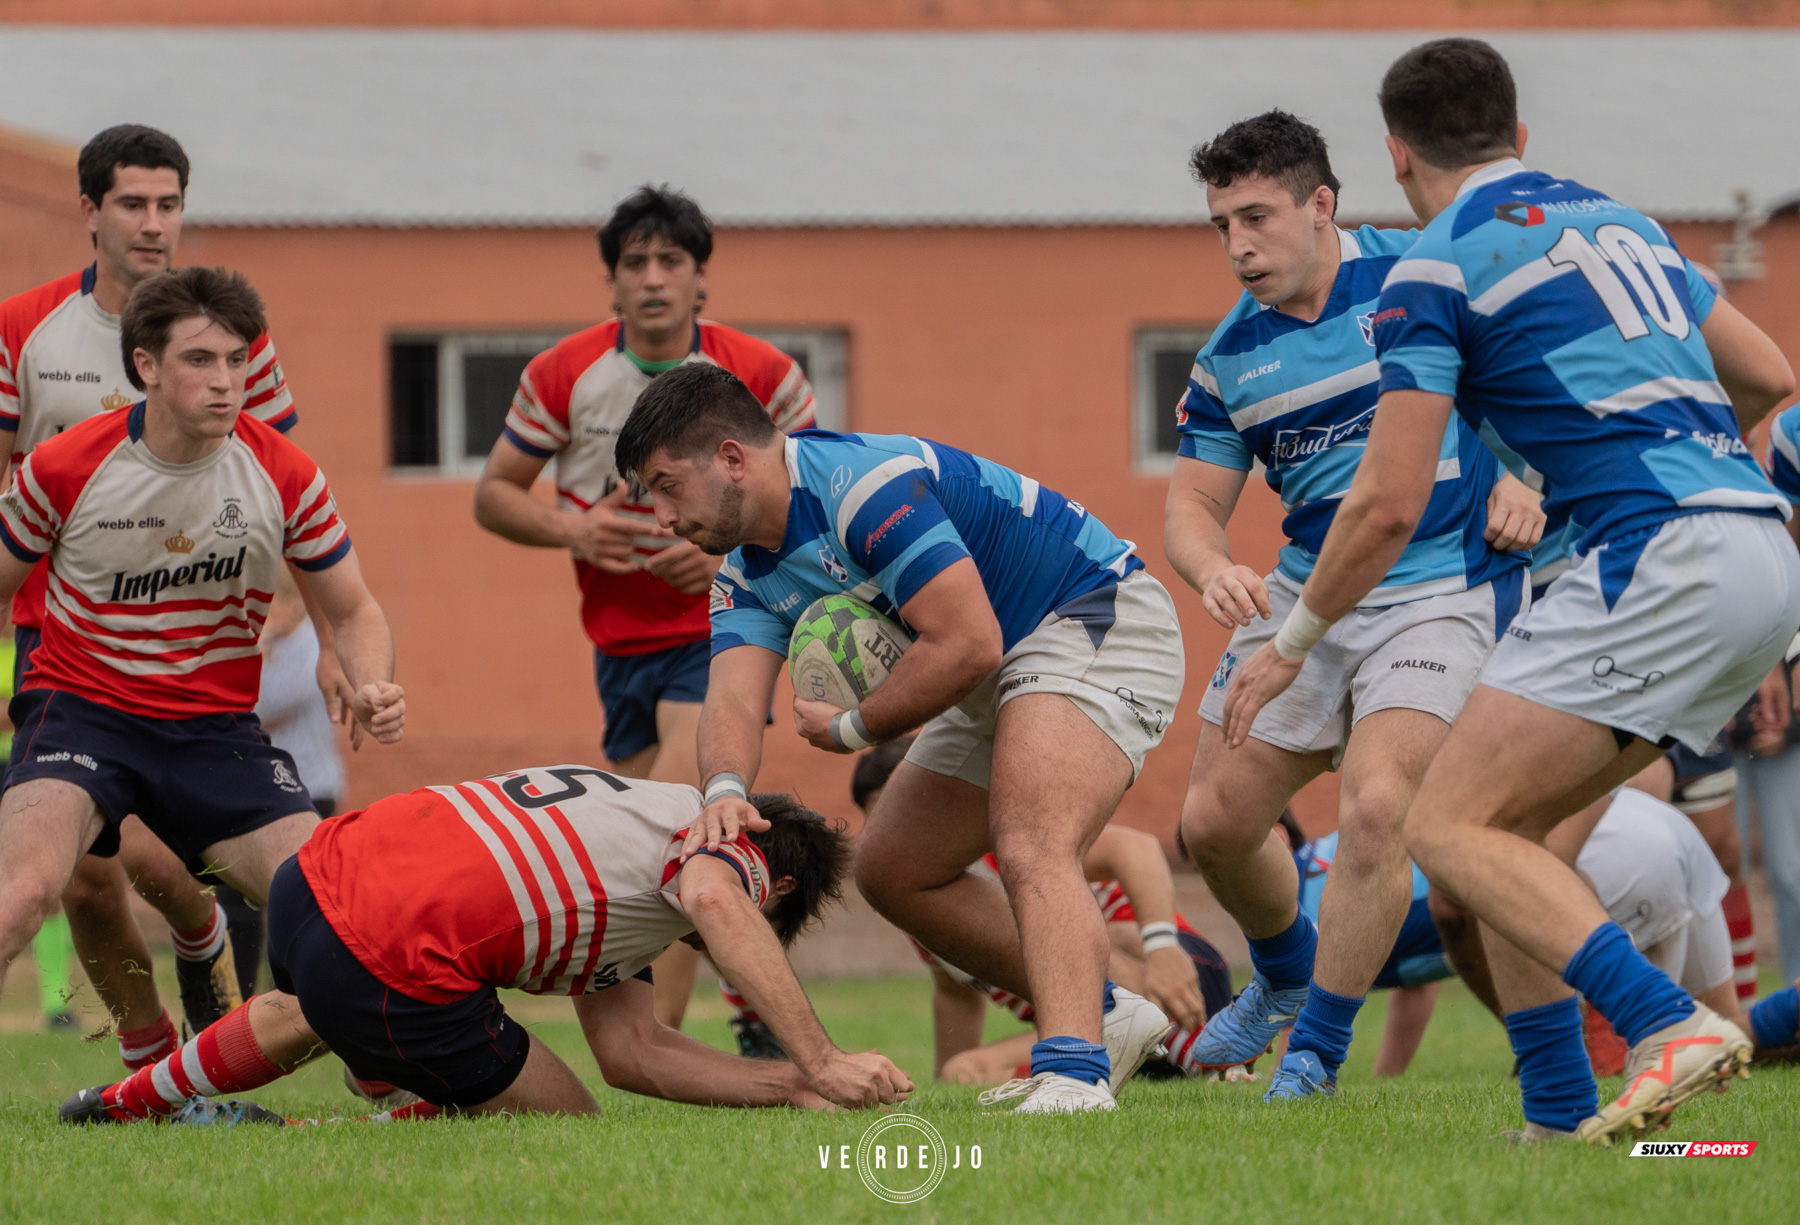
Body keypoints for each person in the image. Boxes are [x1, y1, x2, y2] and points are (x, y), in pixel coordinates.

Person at [1222, 39, 1798, 1143]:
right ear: (1520, 137)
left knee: (1444, 824)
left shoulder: (1431, 266)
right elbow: (1768, 375)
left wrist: (1293, 638)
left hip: (1653, 557)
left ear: (1396, 157)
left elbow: (1387, 504)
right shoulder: (1628, 224)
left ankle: (1665, 1020)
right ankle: (1557, 1115)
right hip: (1760, 551)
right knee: (1509, 835)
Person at [617, 362, 1185, 1113]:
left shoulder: (862, 489)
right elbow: (731, 697)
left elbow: (969, 640)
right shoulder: (744, 574)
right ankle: (1110, 1012)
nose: (659, 516)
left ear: (730, 458)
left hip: (1089, 612)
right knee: (892, 868)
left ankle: (1076, 1075)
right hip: (996, 665)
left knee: (1030, 836)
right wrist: (723, 791)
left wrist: (857, 725)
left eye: (665, 485)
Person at [1166, 110, 1539, 1101]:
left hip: (1441, 590)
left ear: (1322, 204)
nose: (1239, 245)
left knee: (1378, 808)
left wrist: (1523, 477)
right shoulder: (1227, 359)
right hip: (1304, 591)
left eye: (1256, 217)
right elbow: (1192, 504)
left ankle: (1317, 1056)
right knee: (1212, 823)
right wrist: (1209, 567)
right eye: (1220, 225)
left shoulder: (1427, 272)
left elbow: (1533, 386)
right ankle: (1285, 974)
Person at [59, 766, 911, 1125]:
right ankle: (313, 1127)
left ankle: (124, 1103)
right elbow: (719, 896)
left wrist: (788, 1087)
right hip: (386, 962)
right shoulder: (736, 847)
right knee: (563, 1121)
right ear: (782, 888)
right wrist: (824, 1059)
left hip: (314, 877)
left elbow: (633, 1050)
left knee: (318, 1009)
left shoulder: (638, 835)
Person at [0, 267, 406, 1018]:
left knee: (340, 905)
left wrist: (372, 679)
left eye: (237, 360)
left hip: (213, 731)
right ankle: (147, 1050)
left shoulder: (285, 475)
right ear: (146, 366)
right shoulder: (64, 467)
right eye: (200, 360)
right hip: (83, 711)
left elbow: (354, 610)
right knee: (20, 896)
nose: (225, 381)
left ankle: (391, 1066)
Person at [0, 125, 313, 1061]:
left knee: (166, 863)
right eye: (132, 204)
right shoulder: (25, 331)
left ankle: (200, 939)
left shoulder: (222, 343)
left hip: (188, 658)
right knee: (86, 880)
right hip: (61, 651)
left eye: (168, 204)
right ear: (90, 211)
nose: (152, 224)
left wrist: (284, 625)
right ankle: (152, 1064)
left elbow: (281, 488)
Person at [473, 186, 815, 1029]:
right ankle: (750, 982)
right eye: (636, 264)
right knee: (655, 831)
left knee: (665, 827)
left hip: (727, 631)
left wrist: (726, 555)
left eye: (673, 262)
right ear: (613, 282)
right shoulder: (564, 372)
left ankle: (652, 1043)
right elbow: (493, 496)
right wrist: (574, 530)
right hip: (617, 643)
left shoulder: (762, 372)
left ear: (701, 279)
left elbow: (809, 499)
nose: (654, 279)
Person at [844, 736, 1231, 1083]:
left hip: (1182, 981)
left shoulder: (1004, 845)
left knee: (1082, 937)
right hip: (1088, 1024)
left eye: (905, 813)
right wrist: (944, 1081)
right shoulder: (921, 903)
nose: (900, 831)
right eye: (880, 819)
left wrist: (1163, 946)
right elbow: (957, 995)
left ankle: (1198, 1047)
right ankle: (1154, 1059)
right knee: (966, 1071)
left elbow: (1136, 849)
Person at [202, 568, 347, 1000]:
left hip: (309, 790)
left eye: (266, 606)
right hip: (253, 788)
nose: (257, 616)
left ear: (292, 603)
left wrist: (256, 651)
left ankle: (303, 998)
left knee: (301, 901)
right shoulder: (268, 649)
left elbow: (258, 703)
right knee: (237, 900)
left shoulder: (310, 650)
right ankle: (239, 1000)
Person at [1280, 813, 1460, 1079]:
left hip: (1457, 878)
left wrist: (1279, 1072)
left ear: (1278, 836)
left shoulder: (1301, 885)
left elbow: (1299, 990)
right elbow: (1418, 978)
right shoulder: (1319, 859)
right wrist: (1384, 1080)